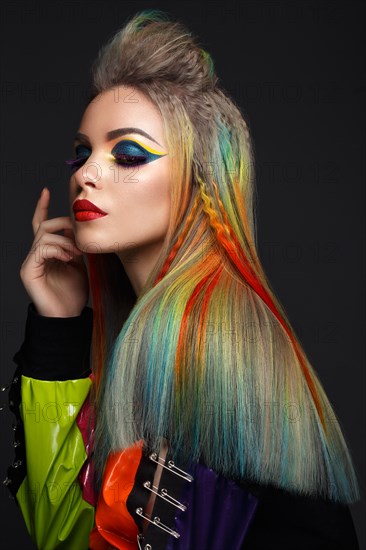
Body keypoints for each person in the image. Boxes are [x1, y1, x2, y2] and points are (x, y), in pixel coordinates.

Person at [3, 9, 361, 550]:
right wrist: (58, 329)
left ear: (200, 182)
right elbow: (73, 536)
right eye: (83, 152)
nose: (85, 172)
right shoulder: (146, 330)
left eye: (127, 154)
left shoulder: (213, 340)